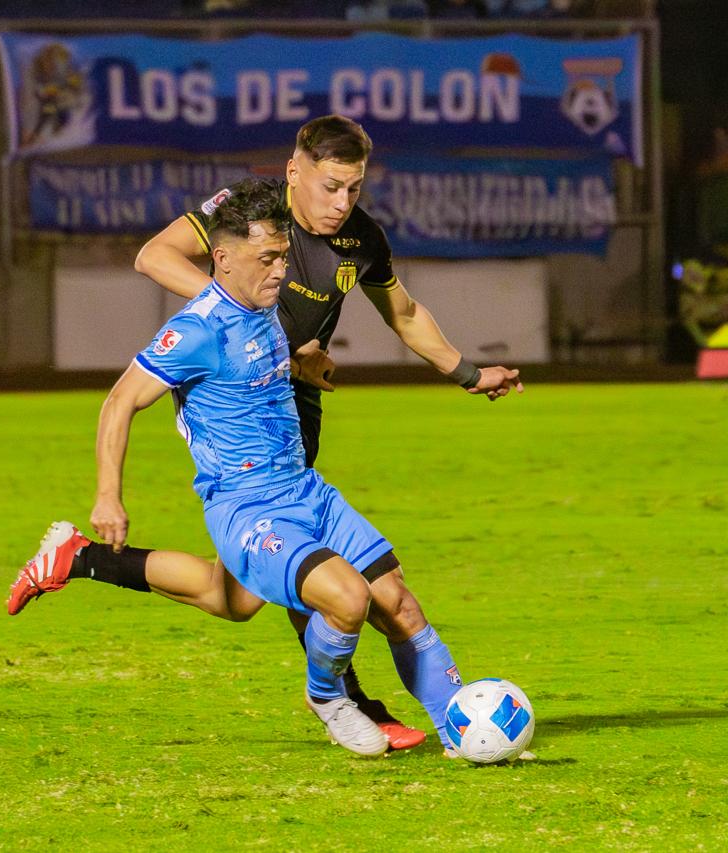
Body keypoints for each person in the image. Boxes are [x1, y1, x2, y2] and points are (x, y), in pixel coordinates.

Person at [15, 179, 469, 757]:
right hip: (248, 507)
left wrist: (301, 364)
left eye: (282, 256)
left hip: (306, 492)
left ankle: (463, 729)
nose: (281, 271)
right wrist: (109, 495)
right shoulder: (196, 331)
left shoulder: (265, 307)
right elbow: (119, 402)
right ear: (223, 260)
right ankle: (330, 698)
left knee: (382, 604)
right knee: (347, 598)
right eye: (267, 259)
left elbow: (254, 364)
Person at [130, 114, 522, 741]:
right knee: (313, 575)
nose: (341, 203)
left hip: (298, 405)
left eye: (354, 188)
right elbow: (154, 255)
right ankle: (349, 701)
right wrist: (255, 327)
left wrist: (468, 373)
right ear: (294, 171)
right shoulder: (252, 212)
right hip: (236, 402)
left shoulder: (360, 237)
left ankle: (85, 559)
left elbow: (404, 313)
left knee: (242, 595)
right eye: (330, 186)